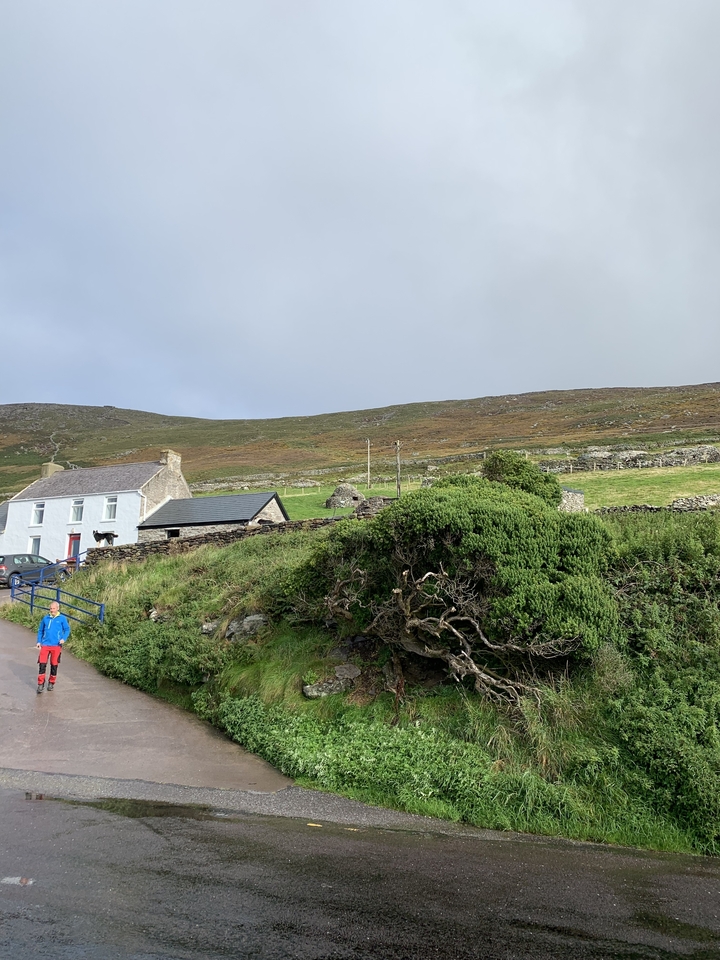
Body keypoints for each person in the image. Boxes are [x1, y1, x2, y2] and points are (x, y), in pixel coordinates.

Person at [36, 601, 70, 694]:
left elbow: (67, 629)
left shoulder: (62, 618)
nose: (52, 610)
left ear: (57, 608)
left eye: (53, 608)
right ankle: (40, 684)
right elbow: (40, 630)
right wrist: (39, 641)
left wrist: (63, 638)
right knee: (42, 665)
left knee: (54, 665)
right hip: (45, 645)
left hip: (56, 645)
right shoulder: (45, 618)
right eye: (50, 608)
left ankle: (51, 682)